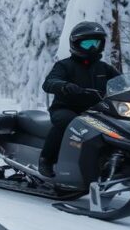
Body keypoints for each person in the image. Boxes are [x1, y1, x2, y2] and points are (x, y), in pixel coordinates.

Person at [39, 21, 120, 177]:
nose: (92, 48)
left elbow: (121, 81)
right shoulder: (65, 65)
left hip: (96, 111)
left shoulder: (103, 68)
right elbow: (49, 82)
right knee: (69, 122)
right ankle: (46, 160)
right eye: (88, 43)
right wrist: (64, 85)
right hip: (66, 108)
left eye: (96, 43)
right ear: (76, 44)